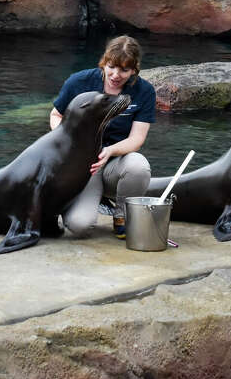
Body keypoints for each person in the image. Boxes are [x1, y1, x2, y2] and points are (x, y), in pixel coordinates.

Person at [51, 36, 155, 239]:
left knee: (139, 166)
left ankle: (122, 215)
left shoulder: (144, 91)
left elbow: (137, 139)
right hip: (83, 167)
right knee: (80, 227)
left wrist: (110, 151)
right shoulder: (80, 82)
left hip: (115, 162)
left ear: (134, 69)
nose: (116, 75)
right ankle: (81, 200)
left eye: (124, 70)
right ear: (104, 62)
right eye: (112, 67)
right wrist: (65, 140)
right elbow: (56, 115)